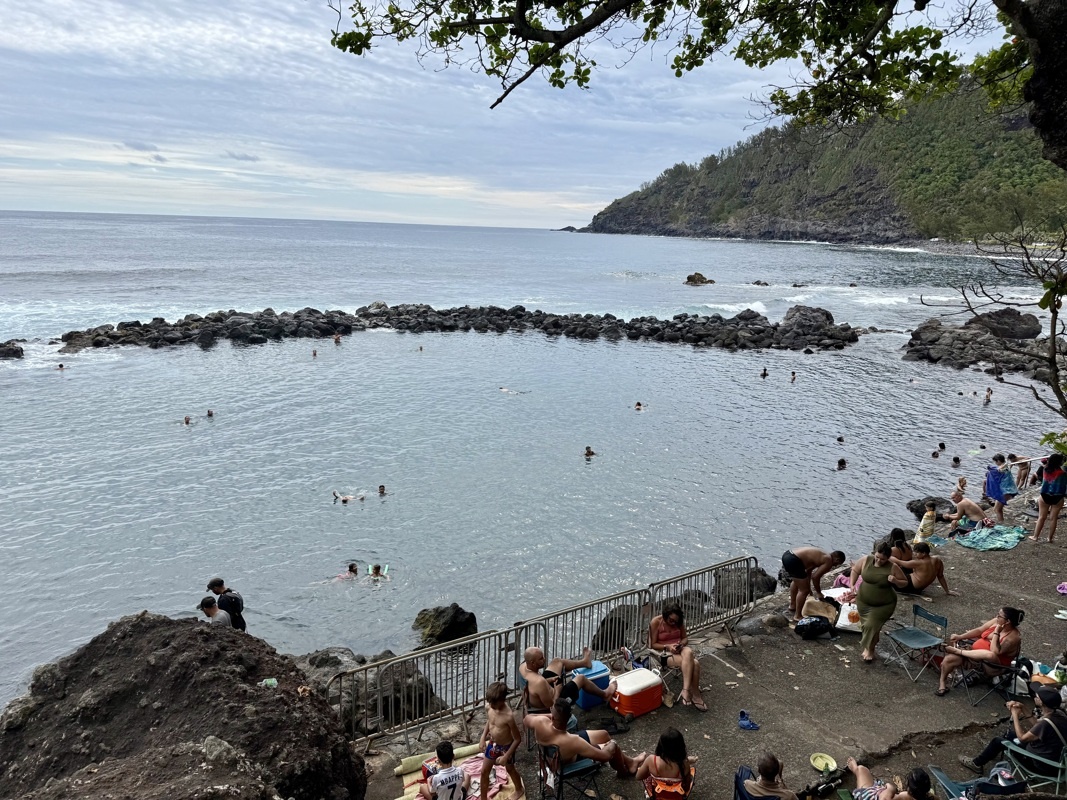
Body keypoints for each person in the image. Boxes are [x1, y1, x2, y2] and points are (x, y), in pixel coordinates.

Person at [958, 686, 1067, 774]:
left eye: (1036, 696)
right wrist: (1023, 707)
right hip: (1054, 760)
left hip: (1039, 764)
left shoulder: (1045, 724)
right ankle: (991, 753)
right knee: (1008, 734)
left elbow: (1022, 738)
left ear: (1042, 702)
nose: (1034, 697)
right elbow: (1037, 725)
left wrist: (1015, 715)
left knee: (998, 741)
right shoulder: (1059, 714)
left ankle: (976, 764)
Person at [524, 699, 646, 778]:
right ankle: (623, 772)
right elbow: (605, 756)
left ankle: (630, 762)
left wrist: (550, 716)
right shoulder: (574, 741)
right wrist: (612, 744)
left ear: (553, 717)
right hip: (566, 760)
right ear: (568, 719)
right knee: (613, 747)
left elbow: (527, 718)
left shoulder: (540, 722)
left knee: (604, 734)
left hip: (551, 753)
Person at [936, 606, 1024, 696]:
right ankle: (942, 683)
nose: (996, 617)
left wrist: (996, 632)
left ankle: (958, 651)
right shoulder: (996, 622)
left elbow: (994, 651)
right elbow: (980, 630)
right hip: (974, 656)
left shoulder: (1013, 638)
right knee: (949, 659)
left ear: (1008, 621)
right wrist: (960, 636)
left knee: (990, 655)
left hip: (993, 665)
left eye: (999, 616)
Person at [846, 543, 907, 663]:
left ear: (888, 558)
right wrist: (852, 585)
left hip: (883, 605)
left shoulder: (893, 567)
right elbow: (855, 570)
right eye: (877, 557)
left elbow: (904, 582)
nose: (879, 560)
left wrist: (895, 581)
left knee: (870, 626)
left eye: (883, 559)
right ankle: (871, 642)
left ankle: (870, 650)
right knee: (867, 626)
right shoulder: (865, 560)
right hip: (863, 601)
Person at [520, 647, 617, 711]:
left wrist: (550, 680)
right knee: (581, 678)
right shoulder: (539, 682)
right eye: (541, 659)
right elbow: (552, 708)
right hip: (554, 702)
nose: (544, 659)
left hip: (544, 690)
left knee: (557, 661)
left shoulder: (523, 667)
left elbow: (535, 685)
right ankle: (605, 694)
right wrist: (557, 691)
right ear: (532, 662)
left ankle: (585, 662)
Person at [649, 603, 706, 711]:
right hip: (664, 653)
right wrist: (668, 646)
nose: (673, 623)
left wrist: (681, 644)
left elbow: (685, 638)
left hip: (680, 649)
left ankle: (686, 690)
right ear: (665, 616)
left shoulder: (678, 622)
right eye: (671, 620)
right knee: (695, 664)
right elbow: (653, 644)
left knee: (688, 651)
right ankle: (695, 694)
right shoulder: (656, 622)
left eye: (675, 621)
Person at [479, 682, 524, 800]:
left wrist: (506, 756)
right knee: (484, 771)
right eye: (490, 702)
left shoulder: (508, 716)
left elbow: (517, 739)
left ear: (502, 700)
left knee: (510, 769)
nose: (491, 705)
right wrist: (483, 737)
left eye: (494, 702)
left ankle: (519, 789)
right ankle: (483, 798)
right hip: (493, 744)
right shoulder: (489, 706)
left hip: (506, 747)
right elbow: (490, 721)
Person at [781, 547, 846, 622]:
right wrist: (819, 593)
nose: (834, 566)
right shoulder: (828, 560)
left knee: (796, 581)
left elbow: (808, 572)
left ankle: (792, 606)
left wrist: (809, 588)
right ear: (837, 559)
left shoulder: (821, 556)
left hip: (788, 554)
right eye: (837, 564)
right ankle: (797, 616)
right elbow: (815, 577)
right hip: (794, 559)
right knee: (804, 591)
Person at [636, 728, 694, 799]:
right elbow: (687, 785)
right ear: (681, 746)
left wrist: (649, 772)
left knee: (648, 772)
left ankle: (650, 795)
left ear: (661, 745)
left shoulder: (651, 760)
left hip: (657, 794)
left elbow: (638, 777)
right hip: (677, 795)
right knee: (692, 772)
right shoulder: (684, 763)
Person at [890, 542, 958, 595]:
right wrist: (947, 591)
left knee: (893, 568)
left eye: (917, 553)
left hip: (908, 586)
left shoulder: (918, 563)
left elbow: (898, 562)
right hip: (919, 589)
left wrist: (889, 555)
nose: (914, 554)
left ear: (923, 553)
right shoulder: (938, 560)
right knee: (905, 568)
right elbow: (940, 576)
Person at [1032, 452, 1066, 542]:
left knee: (1041, 517)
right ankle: (1050, 538)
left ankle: (1035, 537)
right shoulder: (1063, 473)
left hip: (1045, 495)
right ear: (1060, 462)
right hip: (1058, 497)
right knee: (1053, 518)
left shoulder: (1045, 469)